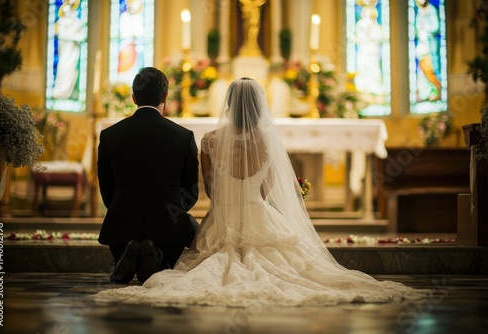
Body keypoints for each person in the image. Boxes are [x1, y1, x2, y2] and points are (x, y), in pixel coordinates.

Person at [93, 78, 427, 305]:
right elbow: (267, 190)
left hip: (221, 221)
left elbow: (209, 191)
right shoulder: (268, 141)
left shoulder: (209, 140)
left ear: (228, 104)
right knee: (298, 266)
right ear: (258, 106)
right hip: (259, 213)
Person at [97, 67, 199, 284]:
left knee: (124, 226)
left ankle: (126, 255)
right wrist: (174, 212)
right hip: (168, 227)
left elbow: (106, 188)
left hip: (122, 224)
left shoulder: (110, 135)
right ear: (165, 97)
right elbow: (191, 191)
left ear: (133, 97)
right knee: (177, 232)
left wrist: (119, 208)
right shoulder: (183, 136)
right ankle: (159, 258)